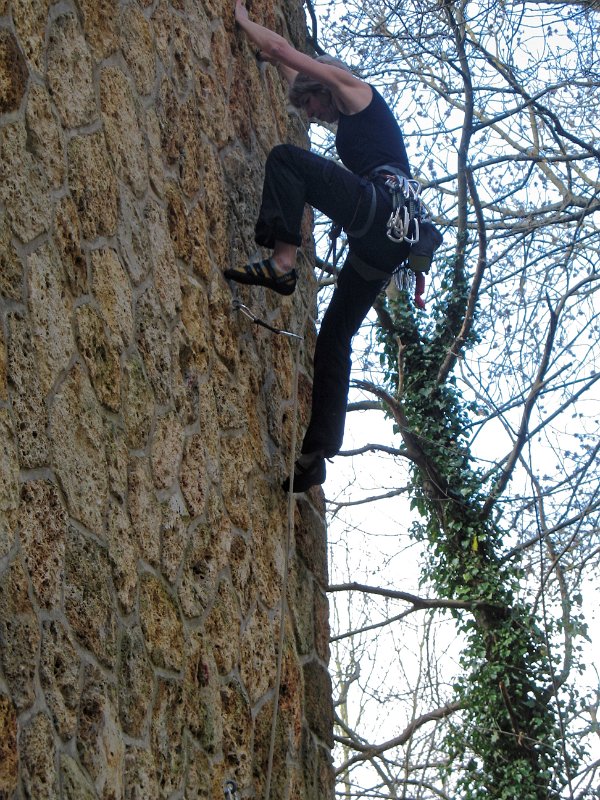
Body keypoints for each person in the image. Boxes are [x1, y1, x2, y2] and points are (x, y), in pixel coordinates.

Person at [225, 0, 440, 492]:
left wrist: (244, 22)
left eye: (311, 106)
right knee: (335, 335)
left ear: (325, 87)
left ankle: (282, 263)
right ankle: (317, 453)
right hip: (385, 249)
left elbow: (286, 51)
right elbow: (288, 69)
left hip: (380, 210)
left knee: (286, 159)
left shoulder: (355, 90)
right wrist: (275, 61)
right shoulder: (346, 117)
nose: (313, 116)